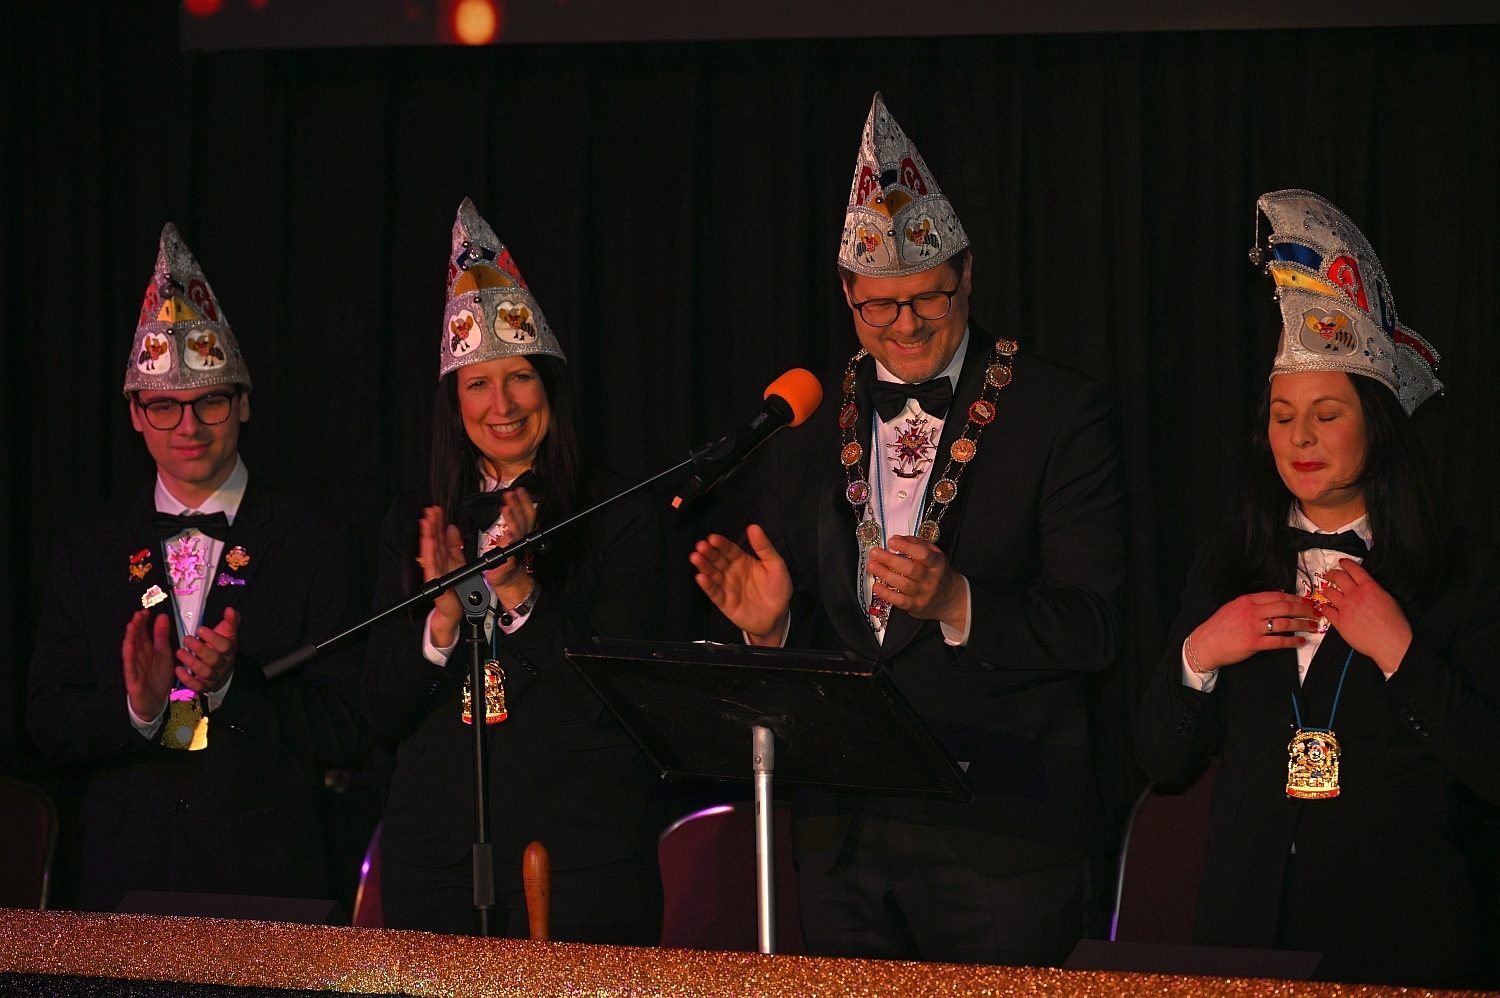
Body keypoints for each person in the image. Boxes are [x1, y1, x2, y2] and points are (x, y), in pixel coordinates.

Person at [691, 94, 1125, 966]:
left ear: (967, 275)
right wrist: (776, 631)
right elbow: (832, 648)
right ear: (847, 295)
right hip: (843, 839)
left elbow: (1097, 627)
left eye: (928, 297)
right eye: (878, 308)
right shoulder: (804, 424)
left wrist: (960, 601)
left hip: (1000, 833)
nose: (907, 325)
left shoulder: (1058, 410)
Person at [1134, 190, 1498, 987]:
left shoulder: (1460, 574)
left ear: (1377, 422)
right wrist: (1200, 654)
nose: (1299, 437)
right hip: (1243, 944)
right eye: (1282, 415)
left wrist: (1402, 653)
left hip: (1403, 946)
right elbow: (1161, 761)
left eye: (1327, 414)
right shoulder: (1228, 564)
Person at [27, 224, 368, 912]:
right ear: (135, 414)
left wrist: (237, 686)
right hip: (124, 882)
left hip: (272, 885)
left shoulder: (315, 540)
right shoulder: (88, 545)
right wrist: (138, 711)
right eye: (164, 406)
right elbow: (47, 723)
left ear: (243, 403)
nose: (189, 426)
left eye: (210, 400)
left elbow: (352, 724)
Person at [362, 199, 663, 942]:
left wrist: (521, 592)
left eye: (520, 378)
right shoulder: (415, 518)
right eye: (477, 383)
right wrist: (440, 621)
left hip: (580, 863)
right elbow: (378, 710)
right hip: (434, 865)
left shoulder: (619, 510)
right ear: (453, 400)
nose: (501, 405)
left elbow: (622, 705)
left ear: (550, 386)